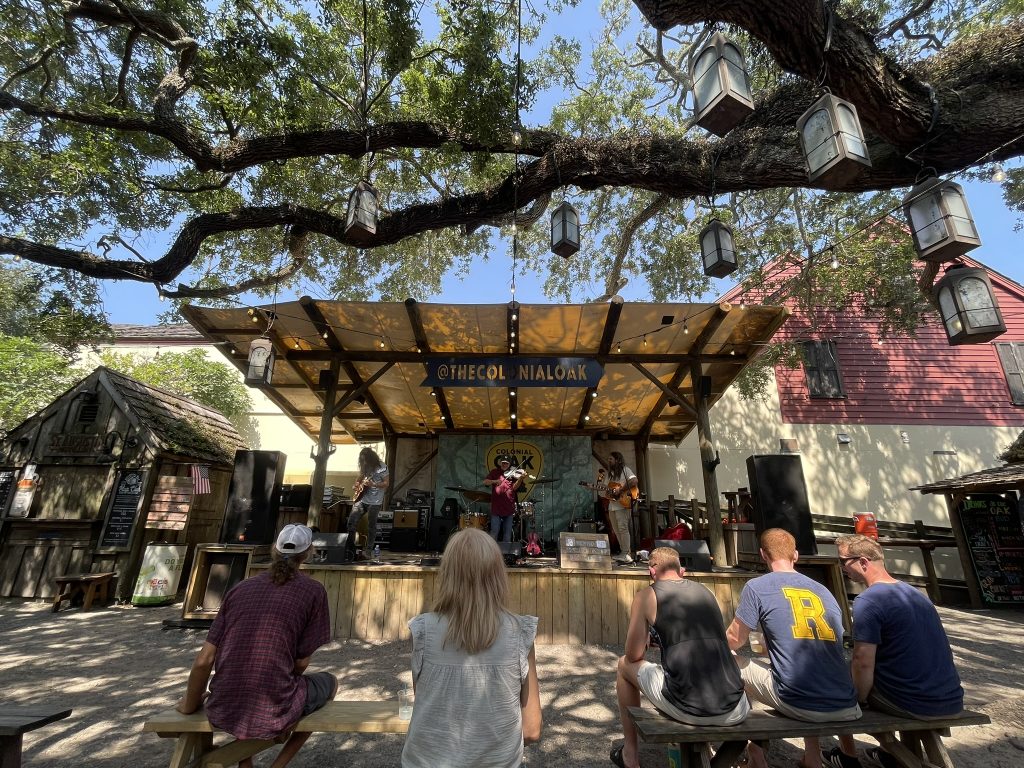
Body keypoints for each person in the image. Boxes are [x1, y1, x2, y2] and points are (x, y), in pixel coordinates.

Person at [176, 524, 336, 768]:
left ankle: (245, 760)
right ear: (309, 553)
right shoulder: (313, 591)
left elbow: (204, 659)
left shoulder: (239, 589)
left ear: (273, 549)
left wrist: (189, 703)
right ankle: (277, 765)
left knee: (250, 688)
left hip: (224, 702)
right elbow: (302, 662)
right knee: (331, 684)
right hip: (273, 702)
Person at [401, 528, 542, 768]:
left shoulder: (422, 630)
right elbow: (531, 730)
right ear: (498, 574)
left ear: (447, 574)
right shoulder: (520, 632)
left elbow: (425, 702)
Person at [726, 529, 861, 768]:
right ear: (796, 555)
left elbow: (734, 639)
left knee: (729, 658)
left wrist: (709, 643)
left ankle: (756, 755)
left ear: (762, 555)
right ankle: (812, 759)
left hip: (802, 703)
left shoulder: (757, 586)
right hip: (846, 702)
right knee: (805, 670)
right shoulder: (823, 591)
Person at [835, 534, 964, 768]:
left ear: (863, 562)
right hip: (949, 697)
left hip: (914, 702)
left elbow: (862, 661)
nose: (842, 567)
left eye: (843, 561)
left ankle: (847, 756)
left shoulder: (868, 601)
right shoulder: (916, 595)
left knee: (840, 677)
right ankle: (891, 757)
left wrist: (859, 700)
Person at [613, 546, 748, 768]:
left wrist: (647, 638)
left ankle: (630, 755)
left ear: (652, 571)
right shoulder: (707, 592)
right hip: (736, 708)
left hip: (689, 708)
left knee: (623, 665)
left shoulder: (647, 594)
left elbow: (633, 654)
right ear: (681, 571)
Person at [347, 446, 389, 560]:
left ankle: (368, 551)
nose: (364, 462)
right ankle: (350, 549)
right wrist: (357, 484)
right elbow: (360, 477)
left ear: (371, 458)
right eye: (362, 460)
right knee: (351, 522)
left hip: (375, 502)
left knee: (371, 526)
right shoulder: (365, 466)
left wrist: (373, 485)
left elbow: (386, 483)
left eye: (365, 459)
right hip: (362, 499)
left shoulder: (382, 467)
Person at [605, 452, 640, 563]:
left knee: (623, 528)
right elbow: (607, 490)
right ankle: (623, 552)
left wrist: (621, 489)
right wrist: (597, 489)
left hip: (623, 504)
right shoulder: (610, 473)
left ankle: (626, 553)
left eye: (611, 459)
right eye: (608, 459)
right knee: (616, 530)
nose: (609, 461)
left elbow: (634, 481)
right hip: (612, 505)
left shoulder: (625, 470)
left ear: (618, 460)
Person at [482, 455, 525, 543]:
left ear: (509, 464)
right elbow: (485, 482)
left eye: (506, 463)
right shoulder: (494, 472)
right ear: (500, 463)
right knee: (494, 532)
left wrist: (520, 479)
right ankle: (492, 554)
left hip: (509, 507)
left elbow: (514, 488)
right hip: (496, 508)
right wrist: (495, 481)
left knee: (507, 534)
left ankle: (506, 555)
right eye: (503, 463)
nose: (504, 464)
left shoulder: (513, 474)